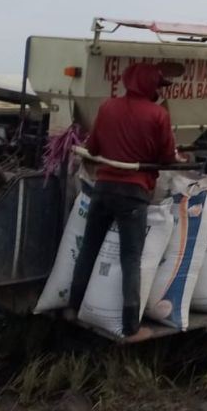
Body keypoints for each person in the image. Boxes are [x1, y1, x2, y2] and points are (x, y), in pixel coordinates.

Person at [68, 62, 181, 341]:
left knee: (89, 249)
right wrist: (178, 158)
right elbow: (167, 158)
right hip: (133, 193)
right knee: (131, 258)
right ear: (149, 86)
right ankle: (131, 326)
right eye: (157, 86)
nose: (158, 91)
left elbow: (93, 149)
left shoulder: (107, 107)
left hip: (103, 188)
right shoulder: (157, 115)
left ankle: (73, 307)